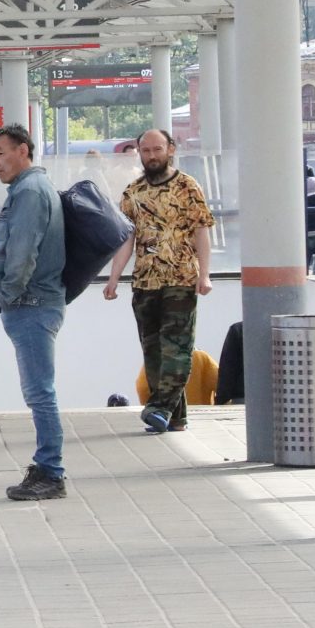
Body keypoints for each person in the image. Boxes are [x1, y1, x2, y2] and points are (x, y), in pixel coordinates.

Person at [0, 123, 67, 501]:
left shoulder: (29, 191)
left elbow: (21, 253)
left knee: (40, 393)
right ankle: (48, 468)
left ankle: (51, 472)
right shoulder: (26, 189)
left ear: (23, 151)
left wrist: (5, 297)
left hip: (31, 304)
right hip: (30, 303)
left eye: (2, 153)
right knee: (38, 391)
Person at [102, 127, 216, 435]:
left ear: (171, 149)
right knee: (152, 351)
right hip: (144, 282)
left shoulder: (188, 187)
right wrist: (114, 278)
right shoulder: (133, 192)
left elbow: (201, 231)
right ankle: (174, 418)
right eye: (146, 150)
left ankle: (160, 407)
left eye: (157, 149)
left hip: (181, 277)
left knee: (176, 348)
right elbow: (127, 238)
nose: (152, 155)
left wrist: (204, 274)